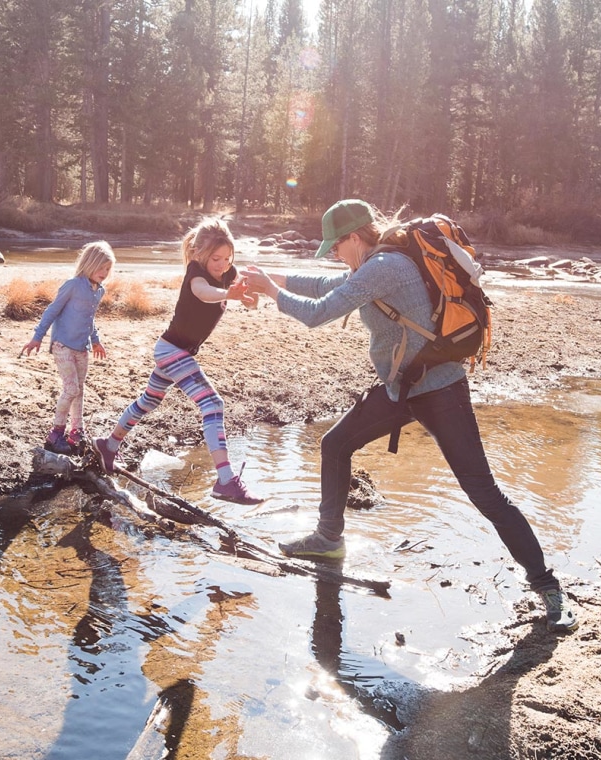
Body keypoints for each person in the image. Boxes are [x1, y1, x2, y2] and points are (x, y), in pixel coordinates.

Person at [243, 199, 577, 633]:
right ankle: (328, 539)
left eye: (336, 246)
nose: (335, 255)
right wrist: (275, 279)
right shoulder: (380, 262)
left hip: (439, 391)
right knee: (335, 444)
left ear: (354, 237)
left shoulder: (383, 266)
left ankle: (547, 585)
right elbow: (331, 285)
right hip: (402, 389)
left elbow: (319, 312)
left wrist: (271, 291)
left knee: (484, 492)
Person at [92, 217, 263, 506]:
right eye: (215, 258)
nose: (222, 264)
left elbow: (245, 294)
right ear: (199, 255)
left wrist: (248, 298)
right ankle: (226, 481)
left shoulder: (227, 273)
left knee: (149, 401)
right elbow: (202, 293)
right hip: (172, 350)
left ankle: (108, 445)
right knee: (213, 404)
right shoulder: (195, 272)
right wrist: (227, 294)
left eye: (226, 258)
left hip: (175, 351)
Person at [22, 240, 116, 455]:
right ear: (89, 263)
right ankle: (56, 432)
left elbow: (89, 319)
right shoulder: (73, 285)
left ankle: (77, 431)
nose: (105, 272)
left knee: (80, 391)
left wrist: (96, 340)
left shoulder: (98, 291)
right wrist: (37, 337)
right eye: (101, 267)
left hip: (82, 348)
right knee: (71, 389)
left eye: (108, 269)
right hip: (62, 345)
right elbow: (51, 311)